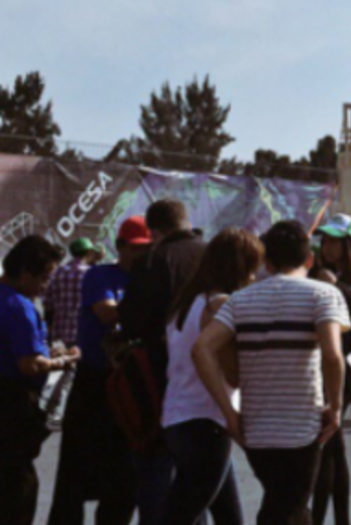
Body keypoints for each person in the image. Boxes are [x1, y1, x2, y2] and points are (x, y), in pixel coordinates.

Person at [193, 219, 350, 525]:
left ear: (267, 260)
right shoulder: (323, 295)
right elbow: (332, 356)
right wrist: (336, 405)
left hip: (256, 430)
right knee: (283, 509)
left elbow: (202, 349)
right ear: (309, 259)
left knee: (290, 507)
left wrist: (230, 412)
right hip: (303, 429)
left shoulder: (239, 300)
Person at [47, 217, 152, 525]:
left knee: (124, 477)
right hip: (95, 382)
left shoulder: (149, 280)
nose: (143, 256)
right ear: (120, 247)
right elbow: (107, 313)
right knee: (75, 473)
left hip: (130, 384)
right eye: (137, 249)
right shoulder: (99, 274)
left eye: (149, 249)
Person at [161, 228, 262, 525]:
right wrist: (232, 412)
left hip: (178, 419)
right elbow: (233, 374)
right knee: (180, 516)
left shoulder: (186, 303)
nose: (254, 278)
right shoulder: (221, 306)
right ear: (239, 267)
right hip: (207, 422)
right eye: (252, 269)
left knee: (227, 515)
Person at [118, 199, 207, 525]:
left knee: (155, 474)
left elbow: (130, 323)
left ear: (154, 232)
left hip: (159, 379)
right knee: (203, 481)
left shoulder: (153, 261)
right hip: (211, 383)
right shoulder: (213, 256)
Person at [1, 235, 76, 525]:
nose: (45, 287)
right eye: (43, 279)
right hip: (13, 402)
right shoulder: (19, 306)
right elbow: (30, 364)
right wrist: (62, 360)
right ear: (24, 273)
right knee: (17, 485)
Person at [310, 214, 351, 525]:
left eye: (335, 240)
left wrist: (336, 286)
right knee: (333, 448)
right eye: (325, 240)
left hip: (348, 366)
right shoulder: (323, 273)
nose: (328, 246)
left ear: (350, 244)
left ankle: (323, 518)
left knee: (325, 444)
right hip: (327, 364)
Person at [42, 238, 102, 421]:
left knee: (64, 368)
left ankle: (50, 406)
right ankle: (54, 409)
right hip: (82, 330)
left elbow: (47, 302)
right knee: (71, 372)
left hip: (61, 330)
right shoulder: (91, 274)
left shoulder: (58, 272)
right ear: (88, 253)